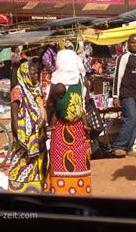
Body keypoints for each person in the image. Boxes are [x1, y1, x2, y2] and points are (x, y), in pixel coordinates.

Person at [45, 49, 91, 195]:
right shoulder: (81, 80)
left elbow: (50, 106)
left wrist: (49, 122)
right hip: (79, 129)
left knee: (59, 163)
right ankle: (80, 192)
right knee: (80, 164)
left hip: (61, 129)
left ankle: (60, 192)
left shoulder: (56, 82)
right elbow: (84, 102)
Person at [8, 57, 48, 193]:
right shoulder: (18, 90)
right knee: (22, 165)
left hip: (38, 137)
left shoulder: (37, 90)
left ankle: (37, 190)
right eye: (32, 73)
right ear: (25, 73)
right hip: (22, 138)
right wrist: (18, 136)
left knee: (37, 166)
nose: (35, 75)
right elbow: (14, 114)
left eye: (37, 73)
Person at [112, 34, 136, 157]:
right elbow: (117, 76)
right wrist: (115, 96)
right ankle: (119, 146)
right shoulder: (123, 57)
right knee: (129, 119)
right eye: (132, 43)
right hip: (126, 94)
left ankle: (129, 147)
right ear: (128, 43)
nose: (134, 45)